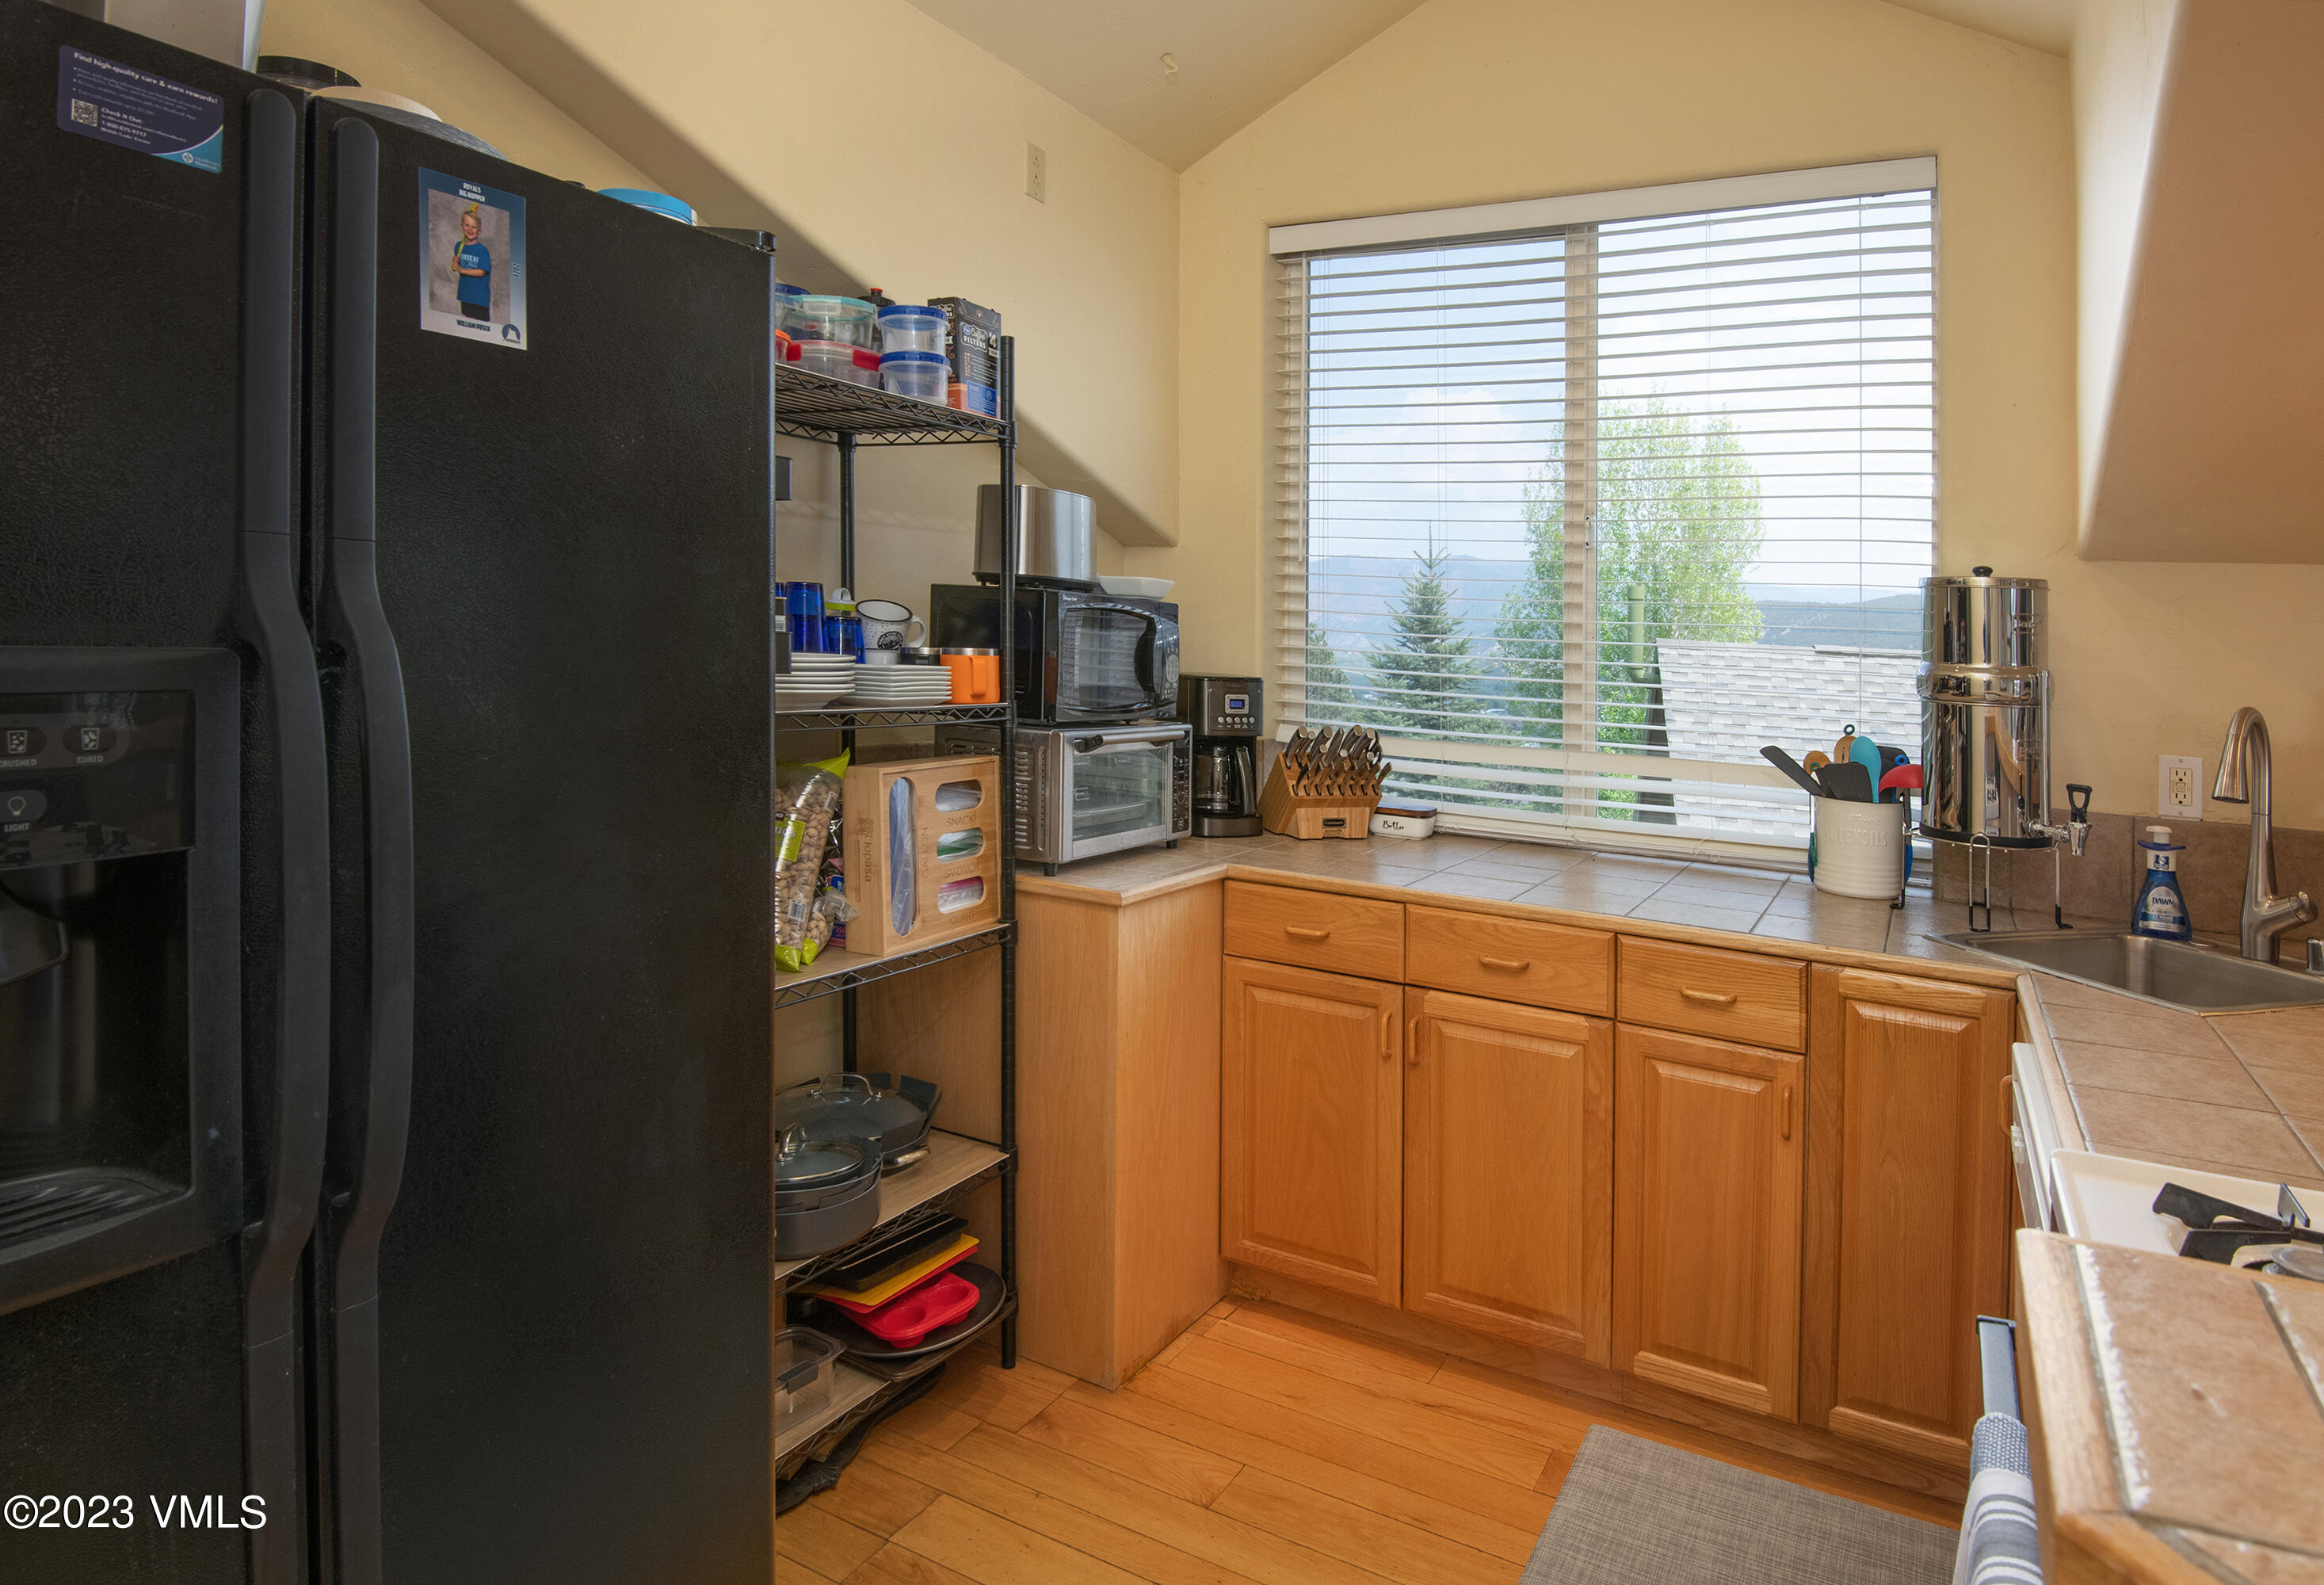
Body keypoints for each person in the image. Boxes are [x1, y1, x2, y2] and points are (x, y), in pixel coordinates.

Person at [452, 206, 491, 323]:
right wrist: (455, 262)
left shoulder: (482, 250)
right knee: (468, 324)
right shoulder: (459, 246)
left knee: (480, 327)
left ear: (479, 231)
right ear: (462, 226)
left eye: (474, 227)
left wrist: (460, 269)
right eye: (467, 225)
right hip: (465, 295)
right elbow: (457, 262)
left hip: (479, 298)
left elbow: (481, 272)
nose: (470, 229)